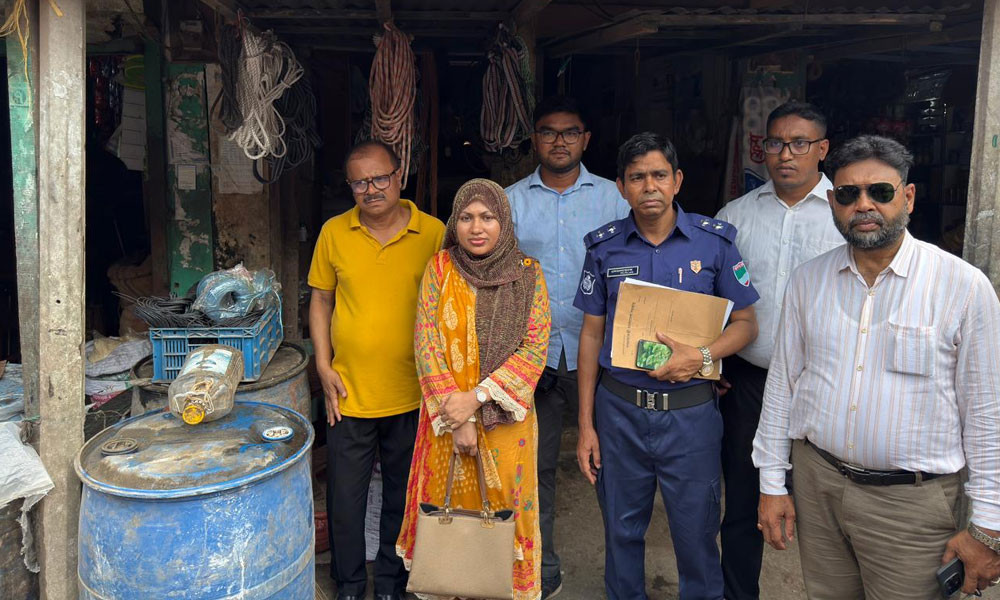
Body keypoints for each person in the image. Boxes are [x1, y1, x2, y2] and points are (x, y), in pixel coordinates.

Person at [753, 135, 1000, 599]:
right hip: (817, 483)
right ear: (833, 202)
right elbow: (783, 384)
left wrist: (989, 526)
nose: (863, 205)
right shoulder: (808, 281)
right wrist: (772, 482)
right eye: (848, 194)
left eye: (880, 192)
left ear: (906, 197)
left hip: (911, 504)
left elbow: (988, 414)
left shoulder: (963, 287)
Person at [574, 132, 759, 600]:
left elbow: (746, 325)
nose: (649, 186)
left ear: (677, 180)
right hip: (620, 412)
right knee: (621, 530)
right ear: (621, 187)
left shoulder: (715, 245)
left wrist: (701, 357)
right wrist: (585, 425)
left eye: (659, 175)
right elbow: (591, 334)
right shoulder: (605, 249)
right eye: (637, 177)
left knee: (696, 534)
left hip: (690, 413)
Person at [396, 178, 552, 600]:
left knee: (502, 520)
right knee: (448, 518)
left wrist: (477, 401)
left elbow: (535, 346)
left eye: (487, 217)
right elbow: (425, 340)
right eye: (466, 217)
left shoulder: (528, 274)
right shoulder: (440, 268)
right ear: (454, 222)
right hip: (446, 424)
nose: (476, 227)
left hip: (506, 427)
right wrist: (455, 417)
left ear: (504, 222)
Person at [713, 101, 844, 600]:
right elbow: (716, 299)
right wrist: (716, 361)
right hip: (751, 382)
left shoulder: (848, 213)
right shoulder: (736, 216)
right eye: (775, 143)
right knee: (745, 501)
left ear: (822, 149)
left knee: (827, 505)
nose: (785, 155)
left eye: (799, 144)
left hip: (826, 385)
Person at [308, 140, 445, 600]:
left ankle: (391, 582)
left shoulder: (434, 233)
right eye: (359, 182)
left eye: (379, 178)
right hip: (348, 393)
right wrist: (323, 365)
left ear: (399, 176)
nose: (370, 189)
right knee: (345, 500)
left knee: (401, 500)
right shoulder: (334, 232)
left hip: (414, 392)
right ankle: (348, 585)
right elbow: (321, 299)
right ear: (350, 187)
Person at [505, 95, 630, 598]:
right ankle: (543, 567)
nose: (560, 141)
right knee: (535, 470)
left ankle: (623, 575)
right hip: (531, 354)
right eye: (549, 132)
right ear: (535, 139)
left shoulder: (615, 199)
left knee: (614, 464)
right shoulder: (509, 201)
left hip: (597, 353)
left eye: (570, 132)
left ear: (586, 139)